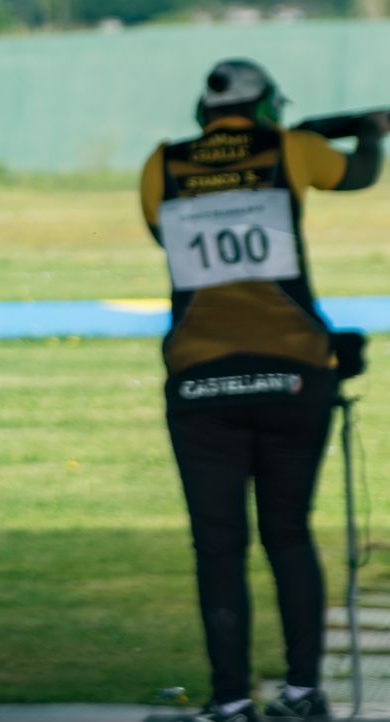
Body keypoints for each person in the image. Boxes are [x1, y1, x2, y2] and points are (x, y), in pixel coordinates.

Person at [143, 59, 387, 722]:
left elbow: (166, 232)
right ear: (268, 107)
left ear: (203, 111)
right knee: (288, 534)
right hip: (293, 370)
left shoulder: (162, 164)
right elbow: (359, 174)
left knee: (217, 546)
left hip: (199, 376)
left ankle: (229, 701)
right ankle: (303, 694)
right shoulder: (291, 147)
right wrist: (369, 132)